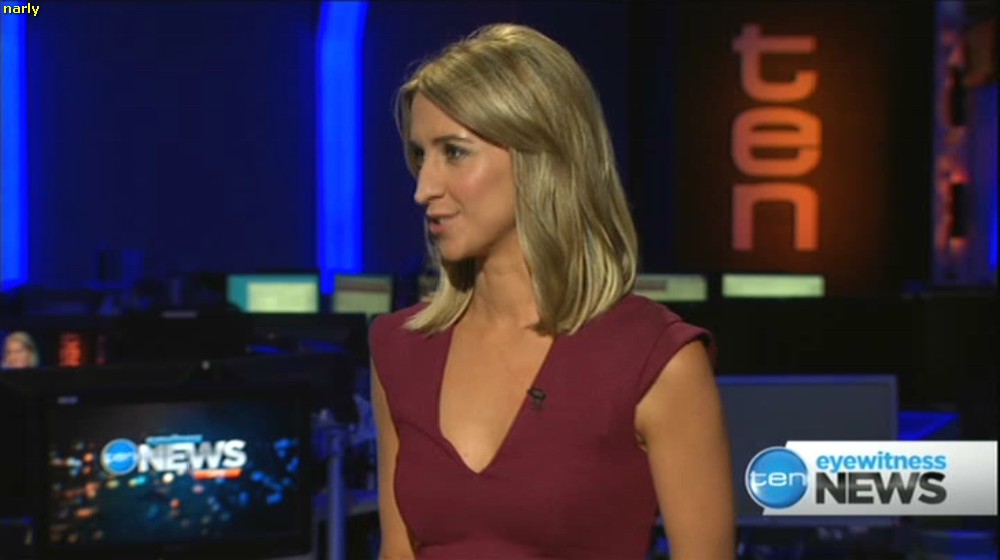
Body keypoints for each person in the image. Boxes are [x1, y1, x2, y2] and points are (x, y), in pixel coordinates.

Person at [369, 23, 734, 560]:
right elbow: (398, 551)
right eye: (420, 156)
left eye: (455, 152)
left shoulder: (656, 359)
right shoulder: (399, 348)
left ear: (539, 155)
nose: (424, 189)